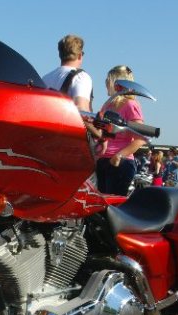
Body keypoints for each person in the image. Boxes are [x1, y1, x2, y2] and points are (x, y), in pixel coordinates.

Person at [94, 65, 146, 195]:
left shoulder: (130, 105)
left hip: (119, 163)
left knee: (112, 208)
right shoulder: (108, 105)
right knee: (100, 208)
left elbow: (141, 139)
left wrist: (118, 156)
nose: (106, 82)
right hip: (104, 160)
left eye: (109, 79)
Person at [42, 34, 93, 112]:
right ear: (79, 55)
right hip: (65, 123)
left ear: (60, 55)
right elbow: (82, 110)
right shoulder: (81, 77)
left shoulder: (45, 78)